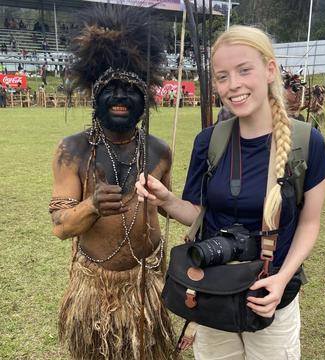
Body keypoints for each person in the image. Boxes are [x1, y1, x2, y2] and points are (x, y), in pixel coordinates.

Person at [136, 25, 325, 360]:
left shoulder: (306, 142)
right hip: (213, 292)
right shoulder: (209, 141)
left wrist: (282, 279)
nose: (233, 85)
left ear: (270, 70)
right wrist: (166, 200)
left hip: (270, 299)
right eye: (222, 76)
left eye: (244, 70)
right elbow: (198, 214)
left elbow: (309, 224)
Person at [49, 5, 176, 360]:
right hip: (95, 288)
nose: (120, 97)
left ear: (145, 101)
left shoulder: (160, 151)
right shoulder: (72, 150)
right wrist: (90, 207)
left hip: (146, 283)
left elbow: (168, 209)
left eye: (131, 89)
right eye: (111, 89)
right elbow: (60, 228)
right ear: (96, 97)